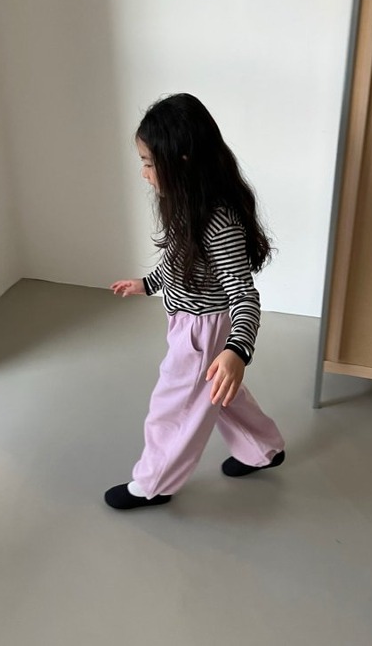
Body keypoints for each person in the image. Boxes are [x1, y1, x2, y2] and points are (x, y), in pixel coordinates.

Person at [105, 93, 285, 510]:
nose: (143, 173)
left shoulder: (217, 221)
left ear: (182, 161)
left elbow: (243, 294)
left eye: (149, 163)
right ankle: (264, 449)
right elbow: (178, 261)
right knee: (219, 393)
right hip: (189, 322)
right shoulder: (188, 205)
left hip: (203, 331)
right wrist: (147, 284)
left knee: (174, 407)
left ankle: (154, 484)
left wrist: (237, 350)